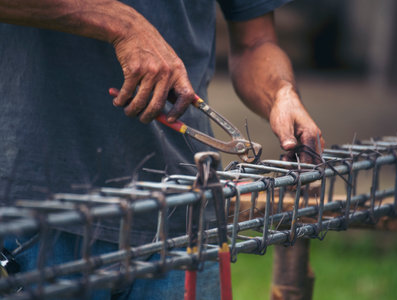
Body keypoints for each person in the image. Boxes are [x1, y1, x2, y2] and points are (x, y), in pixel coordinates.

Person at [0, 0, 324, 298]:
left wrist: (281, 93)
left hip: (182, 222)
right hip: (33, 219)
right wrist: (121, 23)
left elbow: (256, 42)